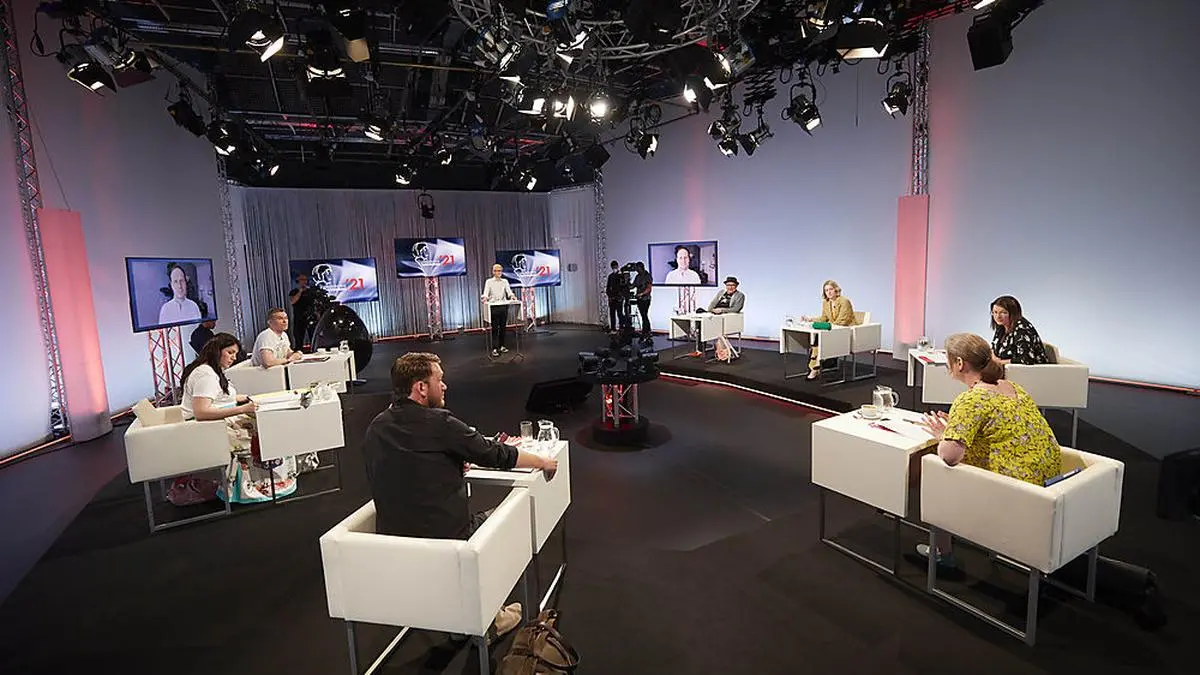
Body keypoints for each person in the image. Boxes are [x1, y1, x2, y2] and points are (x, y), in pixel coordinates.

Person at [360, 353, 558, 639]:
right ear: (421, 387)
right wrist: (542, 461)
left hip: (394, 540)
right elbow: (495, 454)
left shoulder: (376, 426)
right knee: (512, 516)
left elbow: (403, 466)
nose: (445, 386)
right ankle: (489, 619)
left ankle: (454, 611)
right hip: (448, 539)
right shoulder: (440, 422)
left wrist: (448, 464)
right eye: (439, 380)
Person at [916, 333, 1062, 566]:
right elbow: (999, 430)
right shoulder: (1011, 386)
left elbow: (950, 455)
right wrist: (958, 426)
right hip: (1052, 482)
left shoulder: (971, 399)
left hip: (1018, 489)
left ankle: (942, 553)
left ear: (960, 363)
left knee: (938, 469)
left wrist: (944, 435)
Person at [177, 332, 299, 504]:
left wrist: (240, 399)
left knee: (268, 422)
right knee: (266, 430)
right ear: (217, 351)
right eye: (230, 352)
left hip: (217, 422)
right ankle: (261, 484)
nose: (234, 358)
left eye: (235, 353)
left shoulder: (209, 371)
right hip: (210, 428)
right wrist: (242, 409)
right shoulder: (206, 376)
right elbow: (201, 412)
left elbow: (216, 399)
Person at [800, 279, 859, 380]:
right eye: (826, 290)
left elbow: (842, 321)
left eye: (831, 289)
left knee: (823, 336)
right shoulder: (826, 303)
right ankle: (815, 366)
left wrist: (828, 325)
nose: (829, 292)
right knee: (819, 336)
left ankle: (816, 367)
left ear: (836, 290)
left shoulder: (844, 301)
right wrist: (810, 319)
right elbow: (823, 318)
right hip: (833, 330)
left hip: (846, 331)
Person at [990, 295, 1048, 365]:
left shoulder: (1022, 328)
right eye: (995, 312)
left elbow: (1026, 359)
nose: (998, 316)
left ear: (1013, 313)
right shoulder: (1001, 326)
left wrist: (1000, 362)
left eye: (1003, 312)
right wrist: (993, 358)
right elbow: (993, 349)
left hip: (1031, 370)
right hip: (1009, 369)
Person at [481, 264, 518, 357]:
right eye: (496, 271)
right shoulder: (489, 282)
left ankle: (502, 346)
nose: (498, 272)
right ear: (493, 272)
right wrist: (485, 298)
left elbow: (509, 292)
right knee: (494, 328)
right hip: (494, 307)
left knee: (503, 328)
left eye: (500, 271)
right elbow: (486, 293)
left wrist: (512, 296)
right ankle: (494, 348)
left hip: (503, 306)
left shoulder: (505, 281)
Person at [289, 272, 316, 349]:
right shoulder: (294, 292)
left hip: (311, 317)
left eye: (305, 280)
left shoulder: (311, 292)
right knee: (298, 337)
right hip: (299, 317)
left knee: (313, 336)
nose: (304, 281)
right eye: (302, 280)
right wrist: (300, 291)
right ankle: (299, 351)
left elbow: (315, 303)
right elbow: (293, 301)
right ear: (298, 281)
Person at [605, 260, 630, 331]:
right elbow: (608, 287)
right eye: (613, 267)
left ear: (617, 266)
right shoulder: (610, 276)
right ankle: (613, 328)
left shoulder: (621, 275)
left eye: (615, 267)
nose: (614, 268)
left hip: (619, 298)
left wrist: (621, 296)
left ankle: (621, 327)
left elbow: (623, 287)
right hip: (612, 298)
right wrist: (609, 296)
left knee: (620, 313)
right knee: (612, 314)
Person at [632, 261, 653, 337]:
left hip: (646, 299)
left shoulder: (647, 276)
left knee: (644, 315)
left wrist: (641, 294)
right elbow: (633, 285)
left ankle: (646, 331)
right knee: (643, 315)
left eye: (637, 268)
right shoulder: (637, 276)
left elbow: (649, 288)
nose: (636, 270)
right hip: (639, 299)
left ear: (640, 268)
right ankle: (646, 331)